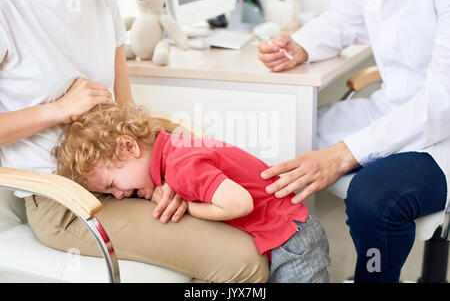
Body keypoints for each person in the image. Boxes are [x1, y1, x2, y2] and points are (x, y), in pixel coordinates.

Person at [0, 0, 268, 282]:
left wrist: (163, 179)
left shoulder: (102, 3)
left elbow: (125, 110)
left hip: (127, 176)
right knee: (245, 261)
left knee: (253, 225)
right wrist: (57, 110)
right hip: (64, 200)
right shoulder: (6, 5)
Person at [257, 0, 449, 283]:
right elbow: (342, 20)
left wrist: (341, 156)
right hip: (392, 108)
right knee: (283, 129)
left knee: (374, 197)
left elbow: (441, 102)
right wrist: (300, 46)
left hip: (443, 130)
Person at [52, 103, 331, 283]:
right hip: (288, 235)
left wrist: (187, 205)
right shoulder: (175, 144)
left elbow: (240, 203)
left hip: (293, 244)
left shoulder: (180, 168)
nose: (120, 195)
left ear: (128, 146)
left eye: (112, 184)